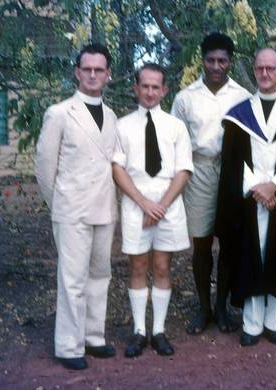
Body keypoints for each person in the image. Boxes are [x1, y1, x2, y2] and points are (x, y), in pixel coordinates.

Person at [216, 48, 276, 346]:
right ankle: (252, 322)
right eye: (260, 68)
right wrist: (257, 189)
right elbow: (233, 163)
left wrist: (274, 187)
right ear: (254, 70)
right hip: (250, 198)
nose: (265, 73)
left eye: (271, 68)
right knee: (252, 256)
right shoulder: (240, 115)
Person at [35, 43, 118, 370]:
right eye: (88, 69)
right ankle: (69, 345)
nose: (94, 75)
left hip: (104, 207)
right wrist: (60, 206)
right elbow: (44, 167)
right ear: (77, 72)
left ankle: (93, 337)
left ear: (108, 73)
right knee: (72, 278)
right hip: (71, 210)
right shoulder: (59, 113)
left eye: (100, 69)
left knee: (100, 273)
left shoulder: (111, 116)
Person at [171, 33, 250, 334]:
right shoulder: (185, 97)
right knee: (202, 242)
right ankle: (204, 308)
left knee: (229, 242)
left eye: (222, 60)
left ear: (230, 62)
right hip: (199, 169)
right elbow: (176, 142)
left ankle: (222, 307)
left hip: (232, 171)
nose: (216, 66)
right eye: (210, 60)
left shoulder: (242, 95)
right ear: (201, 60)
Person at [112, 64, 193, 356]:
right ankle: (139, 331)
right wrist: (144, 203)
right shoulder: (122, 126)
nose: (149, 92)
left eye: (155, 87)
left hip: (168, 203)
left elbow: (184, 170)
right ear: (135, 88)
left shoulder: (176, 126)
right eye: (144, 86)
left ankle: (158, 330)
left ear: (164, 90)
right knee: (137, 266)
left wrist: (160, 206)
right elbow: (117, 169)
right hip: (136, 203)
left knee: (161, 266)